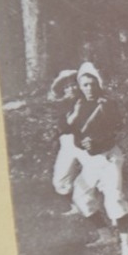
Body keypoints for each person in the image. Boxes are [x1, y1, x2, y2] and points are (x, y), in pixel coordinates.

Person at [64, 62, 128, 255]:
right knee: (80, 197)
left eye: (92, 84)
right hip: (91, 161)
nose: (89, 88)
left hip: (109, 156)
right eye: (85, 84)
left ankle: (126, 241)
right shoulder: (77, 105)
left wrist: (97, 140)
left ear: (98, 84)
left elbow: (116, 129)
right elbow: (73, 132)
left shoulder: (107, 104)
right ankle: (105, 234)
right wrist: (82, 143)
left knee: (114, 197)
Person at [47, 68, 84, 214]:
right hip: (67, 142)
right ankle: (75, 206)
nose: (71, 88)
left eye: (74, 84)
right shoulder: (62, 105)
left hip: (84, 141)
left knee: (97, 175)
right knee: (61, 179)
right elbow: (62, 126)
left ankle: (114, 212)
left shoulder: (88, 101)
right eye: (67, 86)